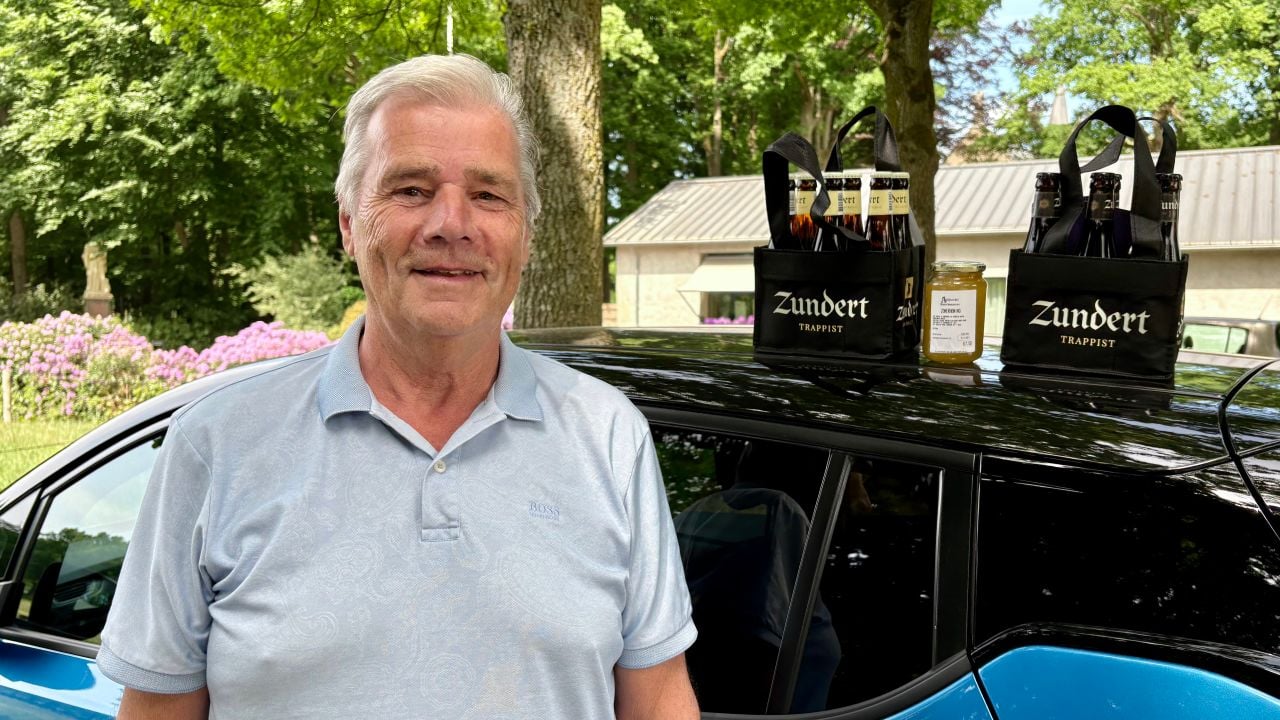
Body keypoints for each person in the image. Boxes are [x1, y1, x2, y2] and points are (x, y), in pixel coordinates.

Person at [96, 54, 699, 719]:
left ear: (525, 232)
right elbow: (156, 709)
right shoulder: (216, 444)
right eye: (411, 189)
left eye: (488, 194)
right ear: (350, 224)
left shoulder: (606, 435)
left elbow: (660, 698)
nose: (451, 223)